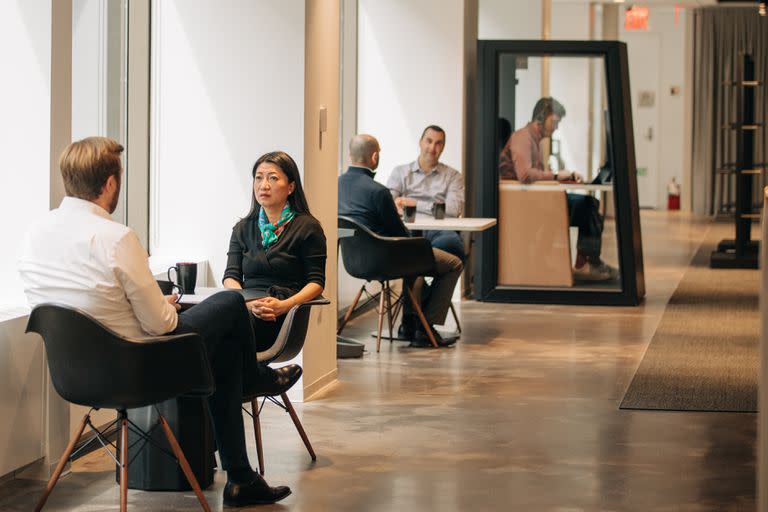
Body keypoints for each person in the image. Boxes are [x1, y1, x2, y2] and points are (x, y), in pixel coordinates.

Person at [18, 137, 295, 507]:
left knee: (228, 349)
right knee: (229, 302)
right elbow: (162, 324)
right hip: (140, 367)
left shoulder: (36, 233)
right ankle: (256, 379)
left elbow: (75, 304)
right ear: (111, 184)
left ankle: (242, 479)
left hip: (72, 374)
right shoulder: (116, 238)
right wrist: (164, 306)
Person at [339, 134, 463, 347]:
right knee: (453, 263)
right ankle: (425, 327)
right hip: (386, 260)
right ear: (375, 157)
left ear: (350, 155)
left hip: (352, 260)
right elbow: (400, 234)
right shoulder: (378, 191)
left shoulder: (337, 185)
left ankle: (410, 321)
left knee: (429, 255)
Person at [498, 97, 618, 281]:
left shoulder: (533, 139)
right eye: (554, 122)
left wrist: (563, 177)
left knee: (591, 203)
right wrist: (555, 176)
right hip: (524, 202)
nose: (556, 127)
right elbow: (525, 175)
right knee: (587, 205)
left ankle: (586, 261)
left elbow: (532, 174)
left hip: (533, 198)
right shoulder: (523, 137)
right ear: (540, 117)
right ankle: (587, 263)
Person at [222, 151, 326, 351]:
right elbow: (230, 276)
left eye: (273, 178)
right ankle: (254, 380)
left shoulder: (307, 227)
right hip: (247, 307)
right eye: (259, 178)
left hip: (280, 313)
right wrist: (246, 304)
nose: (264, 185)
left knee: (224, 336)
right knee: (202, 327)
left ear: (291, 187)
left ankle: (254, 379)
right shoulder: (242, 228)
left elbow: (316, 283)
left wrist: (284, 305)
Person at [388, 125, 466, 261]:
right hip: (406, 229)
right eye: (429, 141)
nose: (432, 148)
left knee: (453, 246)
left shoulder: (453, 176)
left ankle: (418, 274)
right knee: (395, 246)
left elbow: (454, 209)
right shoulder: (400, 172)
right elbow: (388, 204)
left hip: (440, 230)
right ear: (420, 142)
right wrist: (436, 207)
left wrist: (414, 204)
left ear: (443, 147)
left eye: (438, 143)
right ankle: (418, 278)